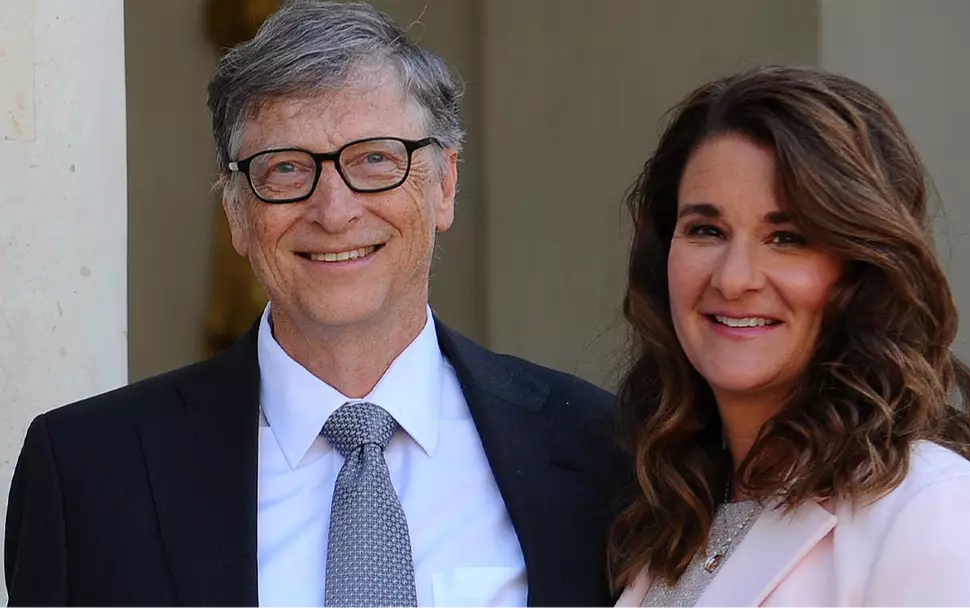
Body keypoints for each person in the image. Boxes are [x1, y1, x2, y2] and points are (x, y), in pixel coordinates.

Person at [4, 3, 627, 607]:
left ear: (444, 184)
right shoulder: (87, 474)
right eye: (285, 169)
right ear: (236, 214)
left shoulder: (600, 449)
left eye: (375, 159)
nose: (334, 211)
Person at [609, 66, 970, 607]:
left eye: (787, 238)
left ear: (862, 268)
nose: (733, 279)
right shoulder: (668, 517)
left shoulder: (936, 515)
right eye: (706, 230)